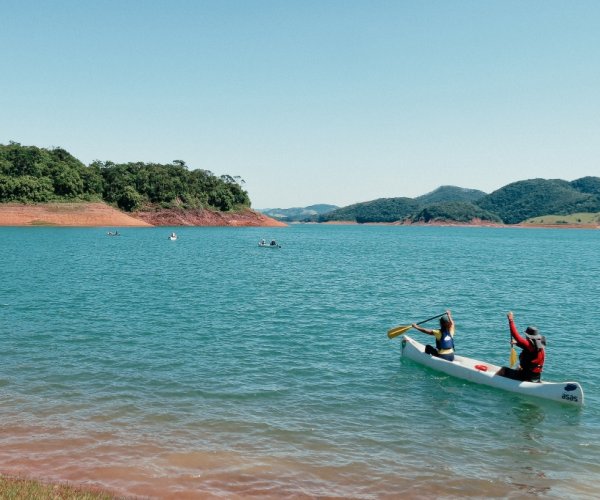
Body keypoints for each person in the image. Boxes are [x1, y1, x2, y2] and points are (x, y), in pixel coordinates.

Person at [497, 311, 545, 382]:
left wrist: (511, 320)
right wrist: (516, 343)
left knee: (503, 370)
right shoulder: (539, 345)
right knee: (519, 367)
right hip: (536, 376)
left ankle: (496, 381)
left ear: (529, 336)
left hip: (526, 376)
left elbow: (516, 335)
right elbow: (529, 349)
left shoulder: (528, 344)